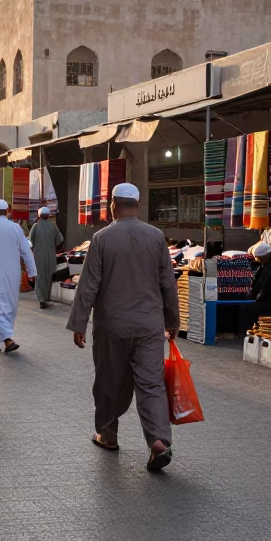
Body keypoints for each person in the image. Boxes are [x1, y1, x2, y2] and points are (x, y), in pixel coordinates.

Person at [67, 183, 178, 472]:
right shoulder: (156, 237)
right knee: (151, 383)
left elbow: (89, 284)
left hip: (112, 325)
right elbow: (168, 283)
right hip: (150, 325)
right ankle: (158, 441)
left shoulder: (102, 238)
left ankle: (108, 434)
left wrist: (79, 323)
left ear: (113, 205)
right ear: (138, 206)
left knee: (109, 380)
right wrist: (173, 322)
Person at [0, 200, 37, 353]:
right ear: (7, 211)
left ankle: (3, 339)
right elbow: (26, 251)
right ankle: (2, 339)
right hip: (12, 274)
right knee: (9, 305)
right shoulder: (16, 228)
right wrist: (32, 272)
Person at [28, 206, 63, 309]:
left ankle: (42, 299)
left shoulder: (35, 226)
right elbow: (60, 241)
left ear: (39, 215)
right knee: (49, 277)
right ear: (48, 215)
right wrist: (55, 251)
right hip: (51, 257)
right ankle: (46, 298)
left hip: (39, 257)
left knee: (40, 278)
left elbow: (30, 242)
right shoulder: (53, 227)